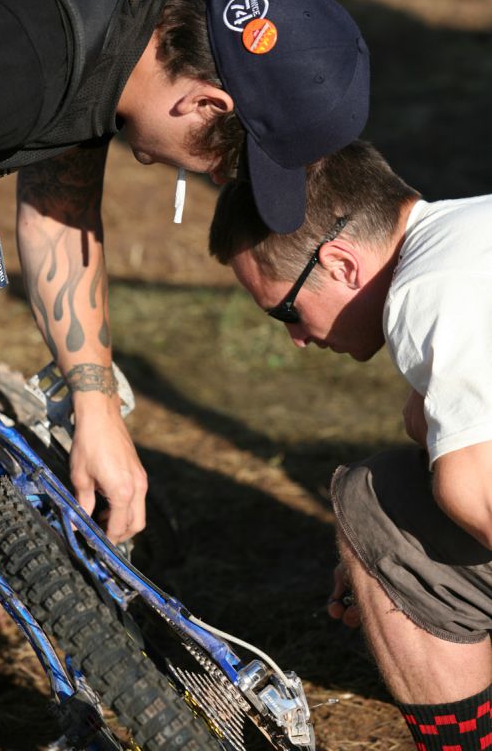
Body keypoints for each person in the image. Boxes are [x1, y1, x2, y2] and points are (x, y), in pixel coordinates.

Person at [0, 0, 370, 543]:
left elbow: (60, 211)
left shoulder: (114, 29)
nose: (217, 178)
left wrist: (94, 404)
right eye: (228, 162)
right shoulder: (16, 66)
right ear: (207, 104)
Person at [209, 141, 492, 750]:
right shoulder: (472, 228)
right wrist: (388, 564)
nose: (296, 339)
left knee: (375, 501)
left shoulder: (430, 289)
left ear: (338, 263)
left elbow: (480, 493)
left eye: (285, 309)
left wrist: (388, 550)